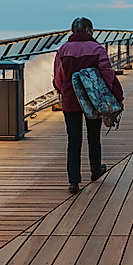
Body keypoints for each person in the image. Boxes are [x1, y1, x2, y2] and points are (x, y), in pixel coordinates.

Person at [53, 17, 124, 194]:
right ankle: (95, 169)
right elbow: (108, 74)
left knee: (73, 139)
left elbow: (58, 77)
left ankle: (74, 181)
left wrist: (63, 90)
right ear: (88, 31)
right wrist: (118, 95)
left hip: (70, 100)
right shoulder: (97, 49)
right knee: (94, 135)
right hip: (94, 100)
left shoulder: (63, 49)